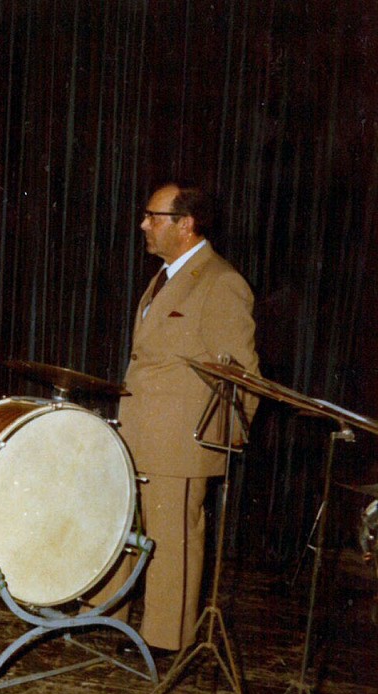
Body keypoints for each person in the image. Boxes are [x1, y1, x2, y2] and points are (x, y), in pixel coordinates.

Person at [91, 180, 259, 653]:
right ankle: (107, 614)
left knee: (174, 541)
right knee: (127, 527)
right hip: (142, 430)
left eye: (153, 216)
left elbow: (244, 374)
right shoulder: (166, 277)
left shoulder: (220, 282)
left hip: (182, 441)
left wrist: (219, 442)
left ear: (186, 224)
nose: (143, 224)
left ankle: (167, 639)